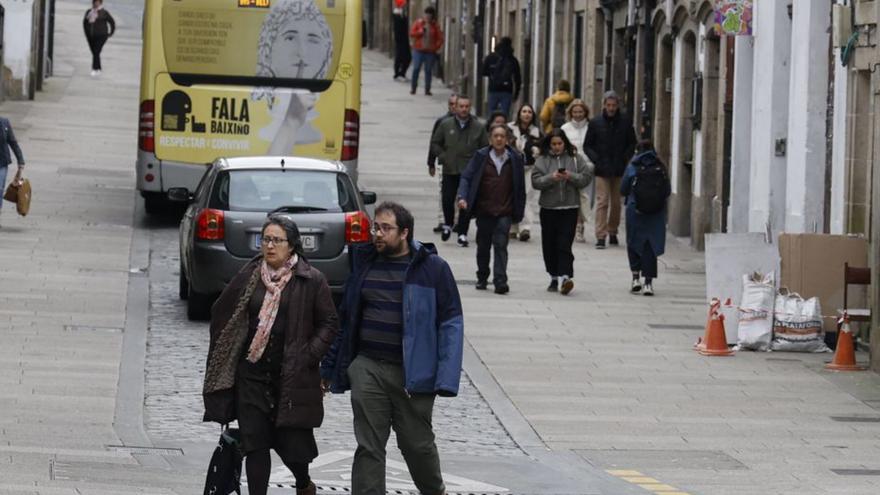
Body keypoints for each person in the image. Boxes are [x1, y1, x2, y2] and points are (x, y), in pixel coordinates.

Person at [320, 201, 464, 495]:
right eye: (376, 227)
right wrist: (331, 367)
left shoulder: (433, 269)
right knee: (369, 446)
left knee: (417, 445)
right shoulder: (364, 264)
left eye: (386, 228)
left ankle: (434, 491)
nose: (378, 234)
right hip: (368, 368)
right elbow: (345, 319)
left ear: (405, 232)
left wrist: (445, 378)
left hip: (413, 376)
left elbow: (451, 324)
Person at [202, 216, 339, 495]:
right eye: (266, 239)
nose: (270, 245)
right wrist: (229, 349)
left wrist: (309, 355)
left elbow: (329, 323)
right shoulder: (251, 275)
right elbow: (224, 311)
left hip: (290, 376)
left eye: (277, 240)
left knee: (293, 447)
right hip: (252, 374)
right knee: (256, 444)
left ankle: (303, 482)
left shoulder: (311, 280)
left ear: (292, 246)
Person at [252, 0, 333, 155]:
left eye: (313, 39)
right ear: (269, 47)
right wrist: (291, 120)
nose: (302, 52)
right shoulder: (256, 113)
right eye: (290, 38)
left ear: (326, 52)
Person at [457, 124, 526, 294]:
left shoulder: (515, 159)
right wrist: (462, 197)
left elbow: (520, 186)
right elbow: (467, 176)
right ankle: (482, 276)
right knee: (483, 246)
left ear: (507, 139)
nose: (499, 139)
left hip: (505, 211)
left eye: (502, 136)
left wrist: (519, 209)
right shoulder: (481, 156)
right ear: (490, 139)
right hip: (484, 210)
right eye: (496, 136)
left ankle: (500, 280)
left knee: (501, 245)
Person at [532, 129, 592, 295]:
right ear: (549, 144)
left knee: (565, 243)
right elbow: (535, 182)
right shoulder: (542, 160)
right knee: (549, 244)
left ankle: (565, 277)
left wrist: (569, 176)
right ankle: (553, 275)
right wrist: (551, 177)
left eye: (559, 143)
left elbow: (586, 177)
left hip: (569, 208)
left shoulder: (575, 158)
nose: (557, 147)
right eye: (554, 144)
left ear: (564, 143)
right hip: (548, 208)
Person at [430, 95, 487, 247]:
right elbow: (435, 143)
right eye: (461, 106)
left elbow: (484, 148)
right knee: (447, 199)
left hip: (468, 172)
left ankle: (462, 232)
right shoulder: (446, 124)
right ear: (455, 107)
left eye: (466, 106)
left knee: (465, 202)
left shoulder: (478, 127)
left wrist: (478, 165)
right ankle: (448, 224)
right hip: (450, 169)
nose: (463, 109)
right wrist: (443, 156)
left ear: (470, 107)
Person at [583, 90, 637, 249]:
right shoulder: (595, 123)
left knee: (616, 203)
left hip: (619, 168)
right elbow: (588, 145)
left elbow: (632, 143)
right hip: (602, 168)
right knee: (602, 201)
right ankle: (600, 235)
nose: (611, 108)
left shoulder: (626, 122)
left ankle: (613, 230)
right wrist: (596, 159)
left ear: (617, 106)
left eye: (614, 105)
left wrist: (625, 158)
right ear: (604, 106)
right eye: (609, 105)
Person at [621, 141, 671, 296]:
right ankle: (648, 283)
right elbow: (667, 190)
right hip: (656, 213)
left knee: (634, 241)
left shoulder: (632, 167)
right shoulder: (660, 167)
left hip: (635, 210)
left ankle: (635, 278)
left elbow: (623, 189)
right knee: (650, 244)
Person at [507, 104, 542, 241]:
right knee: (512, 195)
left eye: (529, 112)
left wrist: (537, 150)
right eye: (524, 111)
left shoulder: (536, 131)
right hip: (512, 167)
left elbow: (542, 146)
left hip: (529, 167)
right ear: (519, 113)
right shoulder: (510, 128)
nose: (527, 114)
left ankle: (525, 228)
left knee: (528, 196)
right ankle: (512, 226)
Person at [560, 99, 592, 243]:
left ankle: (580, 226)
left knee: (584, 198)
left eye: (581, 112)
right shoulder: (565, 128)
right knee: (571, 197)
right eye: (575, 112)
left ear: (585, 112)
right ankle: (571, 226)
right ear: (570, 113)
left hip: (587, 166)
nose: (578, 114)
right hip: (570, 166)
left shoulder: (591, 128)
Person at [428, 94, 458, 234]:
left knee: (459, 193)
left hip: (462, 164)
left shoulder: (469, 122)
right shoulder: (442, 121)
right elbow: (434, 142)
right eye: (451, 104)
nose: (454, 107)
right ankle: (443, 220)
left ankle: (456, 221)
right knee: (444, 192)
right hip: (445, 164)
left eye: (455, 104)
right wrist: (431, 162)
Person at [481, 37, 521, 117]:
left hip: (493, 89)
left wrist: (492, 75)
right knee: (505, 114)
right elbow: (517, 78)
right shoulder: (513, 59)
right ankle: (503, 127)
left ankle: (491, 127)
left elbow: (483, 72)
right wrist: (516, 93)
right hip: (507, 90)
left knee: (491, 113)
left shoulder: (490, 57)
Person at [409, 6, 444, 96]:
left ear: (432, 16)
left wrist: (436, 47)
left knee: (428, 70)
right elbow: (412, 33)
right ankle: (413, 88)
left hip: (430, 52)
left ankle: (427, 89)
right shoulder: (419, 23)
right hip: (418, 50)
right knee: (416, 68)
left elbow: (440, 38)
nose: (427, 17)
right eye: (426, 15)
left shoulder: (435, 25)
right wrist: (420, 32)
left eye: (429, 15)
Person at [0, 116, 25, 227]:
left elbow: (13, 143)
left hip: (2, 163)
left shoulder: (4, 123)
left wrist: (21, 161)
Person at [82, 0, 116, 77]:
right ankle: (99, 68)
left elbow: (112, 22)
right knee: (95, 52)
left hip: (101, 35)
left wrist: (111, 33)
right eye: (94, 2)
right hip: (91, 36)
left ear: (101, 3)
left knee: (96, 51)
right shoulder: (89, 12)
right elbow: (85, 22)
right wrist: (86, 33)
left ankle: (94, 69)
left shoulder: (104, 12)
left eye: (97, 2)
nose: (95, 4)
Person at [392, 0, 412, 80]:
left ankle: (401, 73)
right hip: (400, 39)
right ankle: (398, 74)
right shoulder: (397, 14)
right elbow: (398, 28)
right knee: (401, 57)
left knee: (407, 57)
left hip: (404, 39)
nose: (405, 5)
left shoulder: (402, 13)